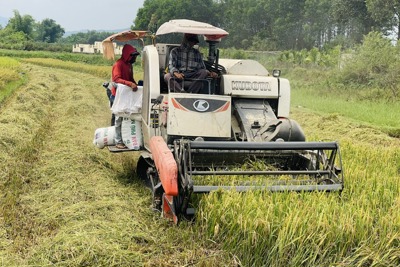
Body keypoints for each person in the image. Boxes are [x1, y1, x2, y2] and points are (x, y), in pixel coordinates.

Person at [111, 44, 140, 149]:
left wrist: (136, 85)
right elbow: (116, 79)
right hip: (118, 95)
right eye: (134, 57)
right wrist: (129, 84)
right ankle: (118, 141)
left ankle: (126, 139)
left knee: (127, 116)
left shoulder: (129, 65)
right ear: (128, 55)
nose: (135, 59)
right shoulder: (118, 64)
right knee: (118, 117)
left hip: (126, 95)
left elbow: (131, 79)